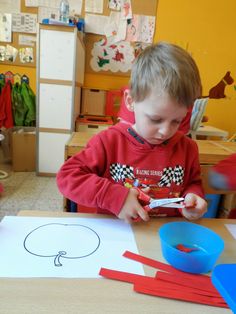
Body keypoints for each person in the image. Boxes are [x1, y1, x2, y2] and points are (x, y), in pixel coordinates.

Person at [57, 41, 207, 223]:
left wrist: (194, 197)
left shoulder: (187, 148)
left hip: (165, 237)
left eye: (177, 120)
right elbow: (67, 177)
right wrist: (115, 197)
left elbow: (193, 183)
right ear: (130, 101)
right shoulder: (109, 142)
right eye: (155, 119)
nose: (165, 131)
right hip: (117, 235)